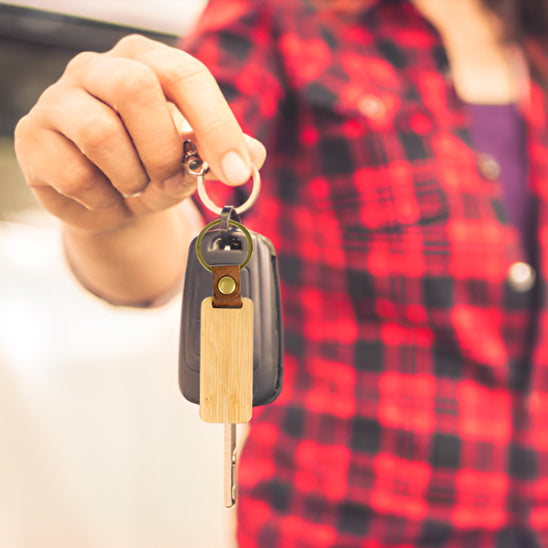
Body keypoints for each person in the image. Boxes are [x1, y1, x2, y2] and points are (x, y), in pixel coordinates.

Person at [13, 0, 548, 546]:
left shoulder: (530, 36)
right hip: (345, 522)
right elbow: (166, 222)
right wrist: (115, 216)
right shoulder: (276, 18)